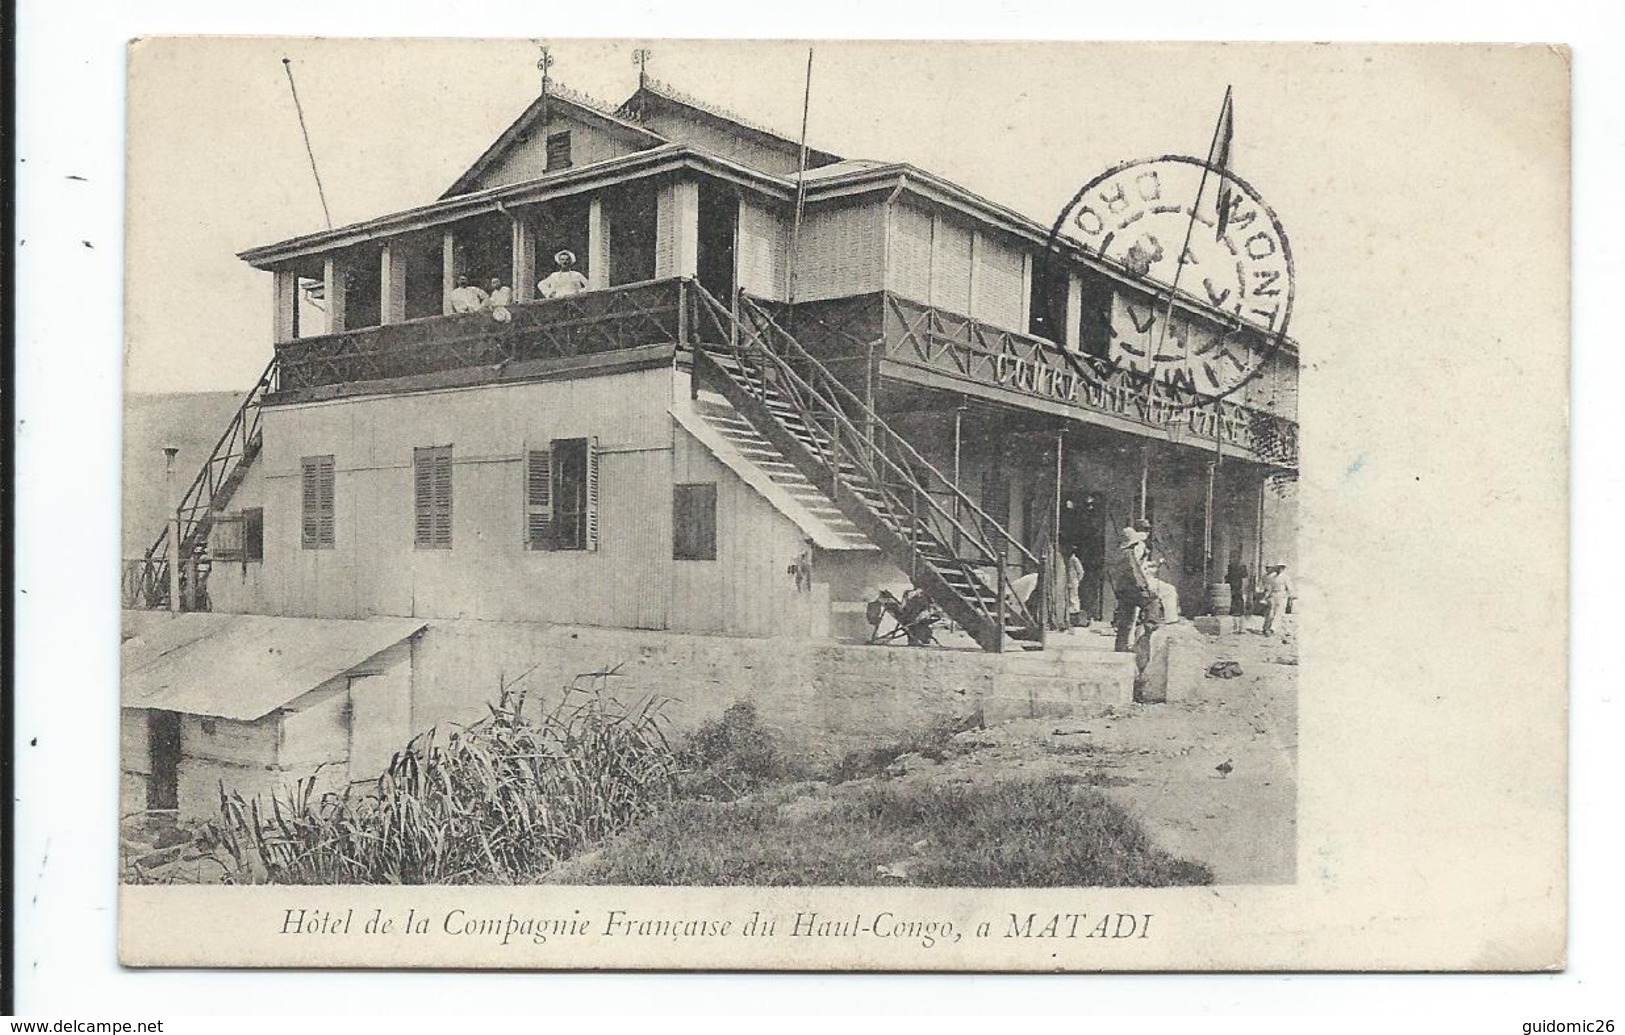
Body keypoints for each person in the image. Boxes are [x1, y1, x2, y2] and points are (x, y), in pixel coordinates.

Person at [1106, 526, 1162, 653]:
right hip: (1133, 588)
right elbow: (1135, 574)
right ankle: (1149, 627)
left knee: (1126, 617)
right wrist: (1144, 588)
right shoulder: (1129, 556)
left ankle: (1121, 646)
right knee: (1153, 601)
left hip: (1122, 590)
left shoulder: (1117, 555)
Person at [1261, 563, 1295, 637]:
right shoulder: (1272, 577)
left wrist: (1290, 597)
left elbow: (1290, 588)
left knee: (1280, 613)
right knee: (1271, 613)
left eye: (1281, 567)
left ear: (1283, 568)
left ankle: (1277, 629)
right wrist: (1266, 596)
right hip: (1273, 595)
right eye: (1278, 567)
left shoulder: (1286, 577)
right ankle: (1267, 628)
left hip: (1282, 596)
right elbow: (1269, 587)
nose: (1279, 569)